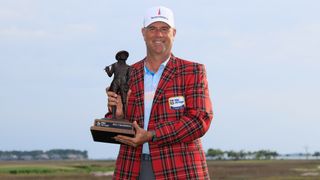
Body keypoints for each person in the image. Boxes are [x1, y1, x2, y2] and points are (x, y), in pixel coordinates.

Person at [106, 6, 213, 180]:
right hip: (133, 167)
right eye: (152, 29)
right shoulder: (128, 73)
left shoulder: (192, 71)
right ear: (143, 32)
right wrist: (117, 116)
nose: (159, 35)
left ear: (174, 33)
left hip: (180, 169)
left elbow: (199, 120)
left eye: (164, 29)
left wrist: (152, 135)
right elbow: (116, 125)